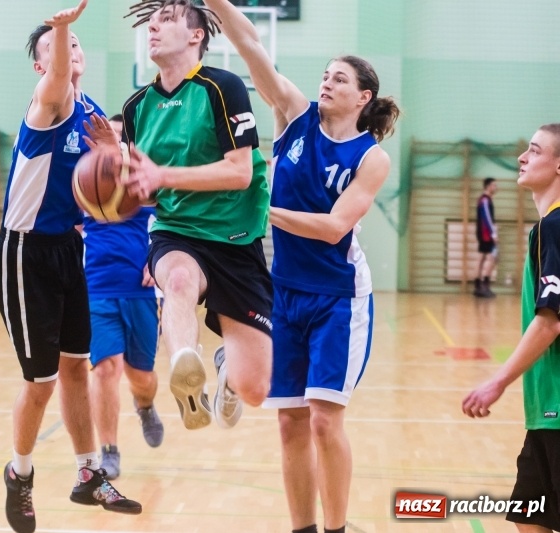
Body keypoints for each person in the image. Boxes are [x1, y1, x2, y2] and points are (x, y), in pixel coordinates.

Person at [201, 1, 400, 532]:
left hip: (338, 297)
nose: (327, 82)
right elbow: (250, 45)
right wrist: (219, 4)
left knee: (324, 420)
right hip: (282, 292)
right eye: (325, 75)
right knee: (289, 423)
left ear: (364, 96)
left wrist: (261, 207)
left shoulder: (370, 157)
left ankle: (335, 527)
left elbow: (335, 227)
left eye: (340, 78)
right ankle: (302, 528)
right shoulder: (293, 114)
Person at [0, 2, 141, 532]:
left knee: (79, 365)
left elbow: (112, 185)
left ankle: (88, 474)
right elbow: (57, 76)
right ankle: (19, 472)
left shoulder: (94, 113)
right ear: (40, 66)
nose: (68, 52)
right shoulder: (46, 102)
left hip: (66, 250)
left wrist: (113, 151)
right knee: (42, 382)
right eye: (55, 49)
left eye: (75, 45)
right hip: (22, 253)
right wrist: (61, 25)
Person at [121, 0, 273, 431]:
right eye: (149, 24)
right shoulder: (136, 108)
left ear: (196, 35)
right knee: (179, 281)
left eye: (165, 20)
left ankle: (227, 365)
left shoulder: (222, 87)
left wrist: (160, 174)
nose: (152, 29)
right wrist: (121, 190)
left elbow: (240, 172)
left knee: (255, 389)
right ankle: (187, 369)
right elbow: (145, 194)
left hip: (236, 239)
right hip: (176, 232)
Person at [463, 124, 560, 533]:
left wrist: (496, 382)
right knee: (528, 517)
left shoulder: (555, 228)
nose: (522, 157)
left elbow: (549, 321)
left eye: (534, 151)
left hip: (557, 411)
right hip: (544, 413)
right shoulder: (546, 227)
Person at [84, 113, 165, 481]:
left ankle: (145, 405)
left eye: (120, 138)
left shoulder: (145, 183)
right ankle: (109, 450)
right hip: (97, 285)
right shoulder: (87, 179)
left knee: (140, 376)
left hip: (140, 288)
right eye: (109, 136)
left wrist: (157, 260)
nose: (112, 143)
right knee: (105, 369)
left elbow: (172, 228)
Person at [475, 177, 499, 298]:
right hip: (486, 234)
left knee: (482, 258)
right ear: (488, 186)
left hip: (484, 234)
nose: (496, 187)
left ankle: (478, 286)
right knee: (492, 258)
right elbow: (487, 218)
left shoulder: (485, 200)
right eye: (494, 185)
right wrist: (493, 233)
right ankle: (484, 286)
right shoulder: (485, 200)